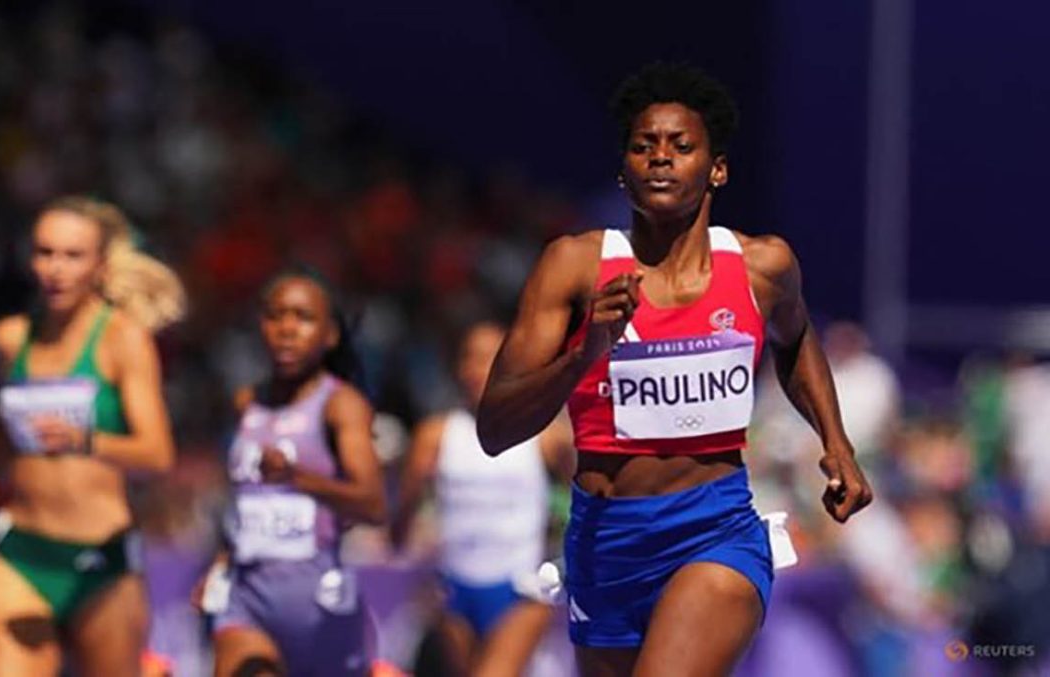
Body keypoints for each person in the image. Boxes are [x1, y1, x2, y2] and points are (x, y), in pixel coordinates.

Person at [476, 63, 873, 676]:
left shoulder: (762, 265)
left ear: (717, 169)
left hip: (715, 532)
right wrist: (587, 352)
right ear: (622, 168)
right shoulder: (575, 267)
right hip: (604, 542)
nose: (660, 158)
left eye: (681, 146)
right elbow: (495, 428)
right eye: (644, 146)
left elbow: (795, 341)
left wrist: (837, 443)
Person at [0, 196, 185, 676]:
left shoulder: (123, 339)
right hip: (23, 554)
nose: (55, 269)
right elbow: (2, 436)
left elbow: (158, 454)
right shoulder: (11, 338)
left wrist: (85, 441)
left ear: (99, 264)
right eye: (45, 253)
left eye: (73, 256)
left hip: (101, 559)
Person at [197, 266, 386, 677]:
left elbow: (373, 504)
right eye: (275, 315)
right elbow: (244, 504)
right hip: (246, 601)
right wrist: (220, 561)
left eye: (302, 318)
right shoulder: (246, 403)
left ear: (330, 334)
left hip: (319, 605)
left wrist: (298, 478)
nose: (286, 328)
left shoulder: (341, 404)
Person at [391, 321, 573, 676]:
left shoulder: (547, 436)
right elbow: (403, 513)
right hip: (456, 588)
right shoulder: (434, 435)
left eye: (489, 358)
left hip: (522, 587)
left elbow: (583, 499)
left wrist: (560, 547)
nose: (478, 369)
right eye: (470, 358)